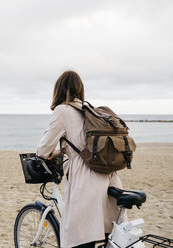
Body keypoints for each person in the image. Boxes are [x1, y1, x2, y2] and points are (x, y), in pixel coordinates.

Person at [36, 71, 123, 248]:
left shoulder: (63, 110)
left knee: (80, 239)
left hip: (85, 181)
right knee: (105, 236)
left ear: (58, 90)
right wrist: (63, 150)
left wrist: (53, 150)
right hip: (109, 177)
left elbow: (43, 150)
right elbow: (83, 142)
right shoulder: (88, 110)